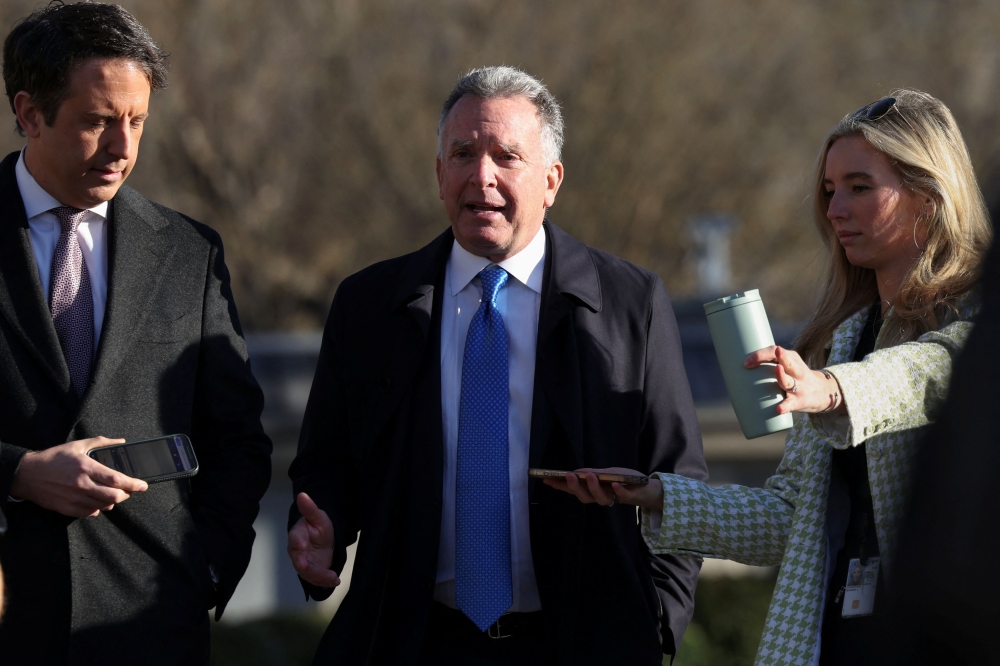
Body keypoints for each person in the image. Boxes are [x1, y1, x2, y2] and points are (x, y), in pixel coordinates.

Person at [547, 89, 992, 666]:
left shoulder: (979, 322)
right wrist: (655, 495)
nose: (835, 210)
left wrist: (831, 390)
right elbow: (789, 522)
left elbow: (929, 372)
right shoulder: (842, 338)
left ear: (929, 197)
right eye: (830, 191)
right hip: (835, 641)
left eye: (860, 187)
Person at [286, 66, 708, 665]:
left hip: (580, 647)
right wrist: (319, 531)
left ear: (551, 180)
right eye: (463, 154)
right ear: (439, 174)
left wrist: (656, 623)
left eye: (506, 157)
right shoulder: (371, 305)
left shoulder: (628, 303)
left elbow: (679, 481)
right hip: (415, 644)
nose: (481, 176)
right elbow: (327, 464)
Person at [0, 4, 272, 663]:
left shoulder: (187, 251)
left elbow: (236, 437)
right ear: (30, 113)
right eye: (98, 121)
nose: (124, 147)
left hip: (151, 632)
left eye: (138, 121)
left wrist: (206, 572)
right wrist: (18, 473)